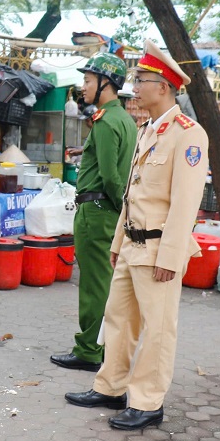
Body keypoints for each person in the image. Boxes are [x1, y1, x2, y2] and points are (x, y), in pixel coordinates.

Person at [64, 41, 209, 431]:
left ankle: (147, 402)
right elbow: (132, 191)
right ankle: (110, 387)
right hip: (131, 244)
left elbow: (185, 203)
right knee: (118, 319)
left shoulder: (188, 135)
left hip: (159, 247)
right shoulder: (148, 130)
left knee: (157, 328)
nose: (136, 87)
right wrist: (116, 242)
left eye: (141, 80)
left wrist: (172, 256)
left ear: (163, 86)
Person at [51, 53, 136, 373]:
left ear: (106, 84)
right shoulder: (126, 120)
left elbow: (113, 177)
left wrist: (118, 208)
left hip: (98, 211)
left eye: (88, 80)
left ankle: (88, 350)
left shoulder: (104, 121)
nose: (83, 86)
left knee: (93, 286)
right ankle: (101, 346)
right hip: (109, 211)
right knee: (106, 284)